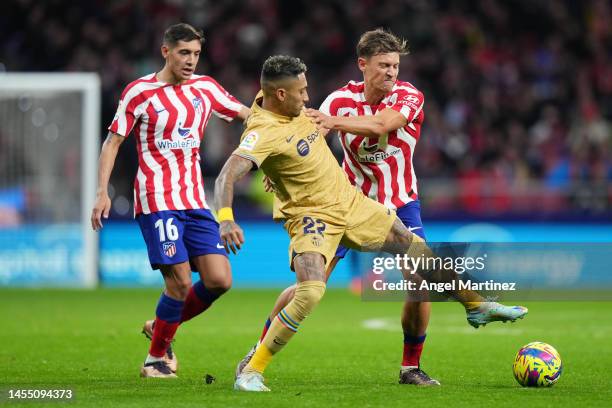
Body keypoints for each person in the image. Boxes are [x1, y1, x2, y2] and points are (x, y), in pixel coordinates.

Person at [214, 55, 526, 392]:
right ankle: (252, 370)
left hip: (350, 202)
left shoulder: (297, 109)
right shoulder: (264, 130)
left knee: (416, 250)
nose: (307, 98)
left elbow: (304, 145)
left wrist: (277, 170)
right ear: (280, 95)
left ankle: (476, 306)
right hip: (312, 216)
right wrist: (227, 218)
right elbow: (227, 175)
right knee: (310, 291)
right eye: (302, 92)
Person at [90, 23, 250, 378]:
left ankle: (160, 324)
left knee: (219, 280)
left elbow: (248, 116)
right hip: (156, 198)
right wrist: (101, 191)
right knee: (177, 283)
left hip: (194, 200)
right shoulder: (139, 92)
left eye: (195, 54)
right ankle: (156, 358)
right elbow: (112, 142)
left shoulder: (205, 88)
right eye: (183, 53)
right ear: (166, 51)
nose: (191, 60)